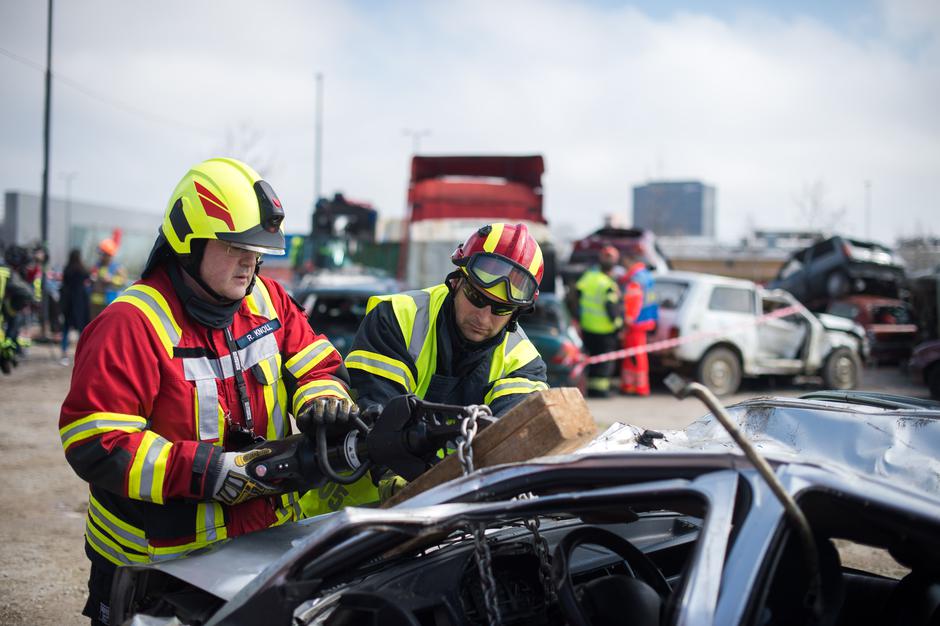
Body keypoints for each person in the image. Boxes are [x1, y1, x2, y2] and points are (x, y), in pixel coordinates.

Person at [58, 157, 356, 625]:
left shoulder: (267, 299)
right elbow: (96, 441)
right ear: (189, 243)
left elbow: (317, 363)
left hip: (261, 549)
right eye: (238, 247)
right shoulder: (131, 324)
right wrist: (211, 471)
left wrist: (323, 399)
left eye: (259, 250)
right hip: (154, 568)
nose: (252, 262)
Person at [302, 222, 549, 514]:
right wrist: (397, 479)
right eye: (477, 298)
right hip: (346, 513)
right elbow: (378, 412)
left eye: (500, 309)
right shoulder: (397, 317)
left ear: (516, 314)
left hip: (457, 520)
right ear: (456, 281)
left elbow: (507, 444)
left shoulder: (524, 363)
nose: (483, 317)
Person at [572, 245, 623, 397]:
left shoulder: (588, 277)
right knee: (604, 362)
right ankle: (600, 391)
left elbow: (574, 297)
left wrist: (577, 318)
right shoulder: (608, 285)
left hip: (587, 328)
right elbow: (611, 308)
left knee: (591, 360)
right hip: (605, 330)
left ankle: (590, 389)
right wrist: (618, 326)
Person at [618, 251, 658, 396]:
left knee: (635, 357)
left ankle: (639, 387)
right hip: (645, 321)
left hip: (635, 322)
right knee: (635, 356)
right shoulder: (647, 276)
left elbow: (633, 301)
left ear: (629, 261)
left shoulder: (636, 278)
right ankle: (631, 385)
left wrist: (628, 320)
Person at [59, 248, 91, 365]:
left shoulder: (67, 270)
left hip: (68, 303)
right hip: (80, 303)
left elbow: (63, 284)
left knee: (66, 330)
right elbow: (88, 279)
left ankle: (64, 354)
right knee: (81, 330)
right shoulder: (82, 270)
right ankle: (82, 354)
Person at [88, 235, 127, 320]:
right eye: (100, 253)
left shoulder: (117, 268)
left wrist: (111, 279)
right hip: (94, 303)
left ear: (109, 255)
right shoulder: (97, 265)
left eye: (103, 254)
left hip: (109, 302)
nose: (101, 256)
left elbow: (123, 282)